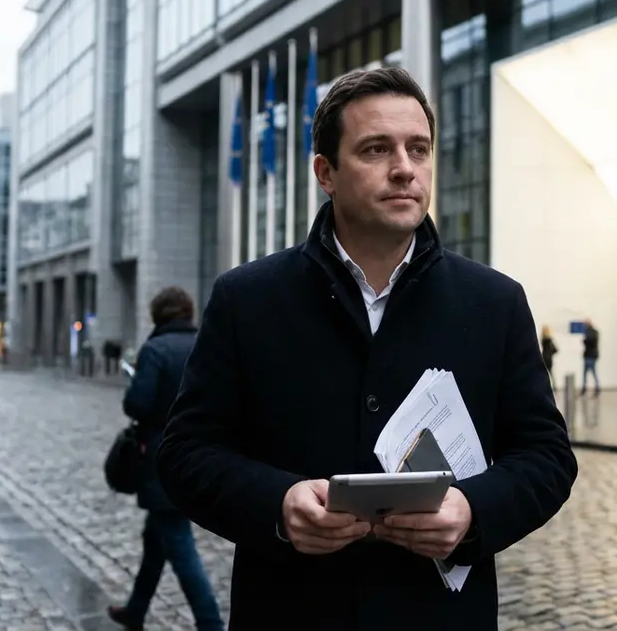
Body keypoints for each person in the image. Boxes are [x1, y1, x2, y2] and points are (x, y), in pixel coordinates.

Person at [157, 67, 577, 629]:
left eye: (418, 149)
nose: (404, 168)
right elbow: (185, 454)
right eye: (377, 149)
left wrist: (474, 510)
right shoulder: (246, 299)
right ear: (325, 173)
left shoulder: (495, 302)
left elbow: (547, 456)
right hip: (291, 614)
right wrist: (278, 504)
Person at [107, 286, 224, 631]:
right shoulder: (204, 343)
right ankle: (135, 610)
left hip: (162, 458)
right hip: (200, 454)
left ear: (157, 315)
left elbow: (137, 404)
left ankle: (211, 624)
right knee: (155, 541)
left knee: (180, 546)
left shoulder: (155, 349)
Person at [581, 319, 600, 395]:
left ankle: (593, 388)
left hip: (589, 355)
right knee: (589, 373)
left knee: (591, 373)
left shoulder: (589, 332)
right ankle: (588, 389)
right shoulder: (595, 332)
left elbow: (588, 342)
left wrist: (584, 340)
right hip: (592, 355)